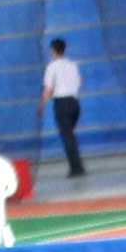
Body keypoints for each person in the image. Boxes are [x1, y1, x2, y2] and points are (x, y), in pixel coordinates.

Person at [40, 38, 85, 177]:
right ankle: (77, 164)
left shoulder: (51, 67)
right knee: (70, 135)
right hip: (74, 103)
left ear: (53, 50)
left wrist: (41, 105)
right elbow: (79, 82)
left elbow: (48, 89)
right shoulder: (72, 65)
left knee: (67, 137)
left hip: (61, 103)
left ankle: (76, 168)